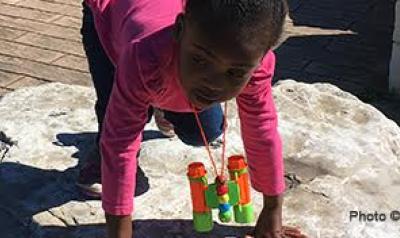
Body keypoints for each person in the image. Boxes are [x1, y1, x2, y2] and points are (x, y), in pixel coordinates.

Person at [78, 0, 307, 237]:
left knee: (205, 133)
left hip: (173, 50)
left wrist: (272, 209)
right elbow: (119, 145)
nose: (213, 84)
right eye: (200, 60)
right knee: (114, 109)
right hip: (112, 16)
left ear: (260, 59)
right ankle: (147, 100)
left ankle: (159, 98)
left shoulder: (251, 60)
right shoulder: (143, 57)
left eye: (235, 73)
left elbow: (262, 128)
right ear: (180, 29)